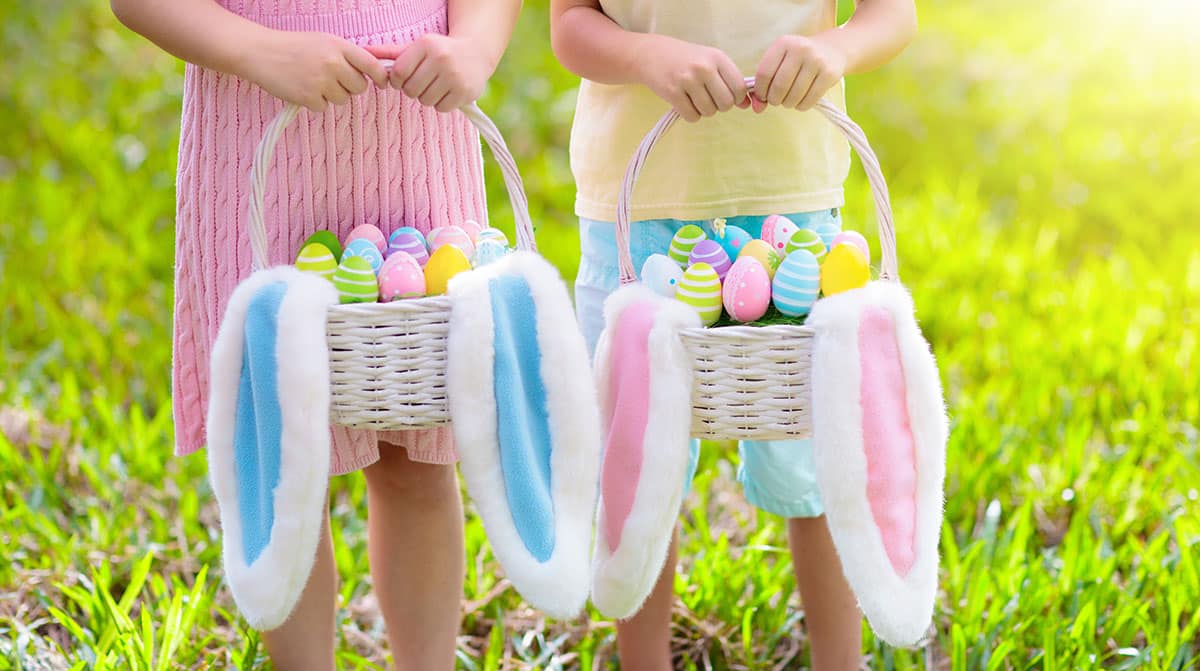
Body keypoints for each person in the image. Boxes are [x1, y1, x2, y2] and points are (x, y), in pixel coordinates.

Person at [110, 0, 519, 667]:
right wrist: (262, 50)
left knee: (416, 453)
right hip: (259, 130)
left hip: (411, 135)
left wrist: (474, 47)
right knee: (282, 458)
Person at [549, 0, 916, 667]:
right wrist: (644, 55)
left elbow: (892, 14)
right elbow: (570, 22)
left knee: (816, 452)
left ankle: (840, 658)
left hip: (792, 206)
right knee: (633, 453)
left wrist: (834, 50)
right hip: (636, 207)